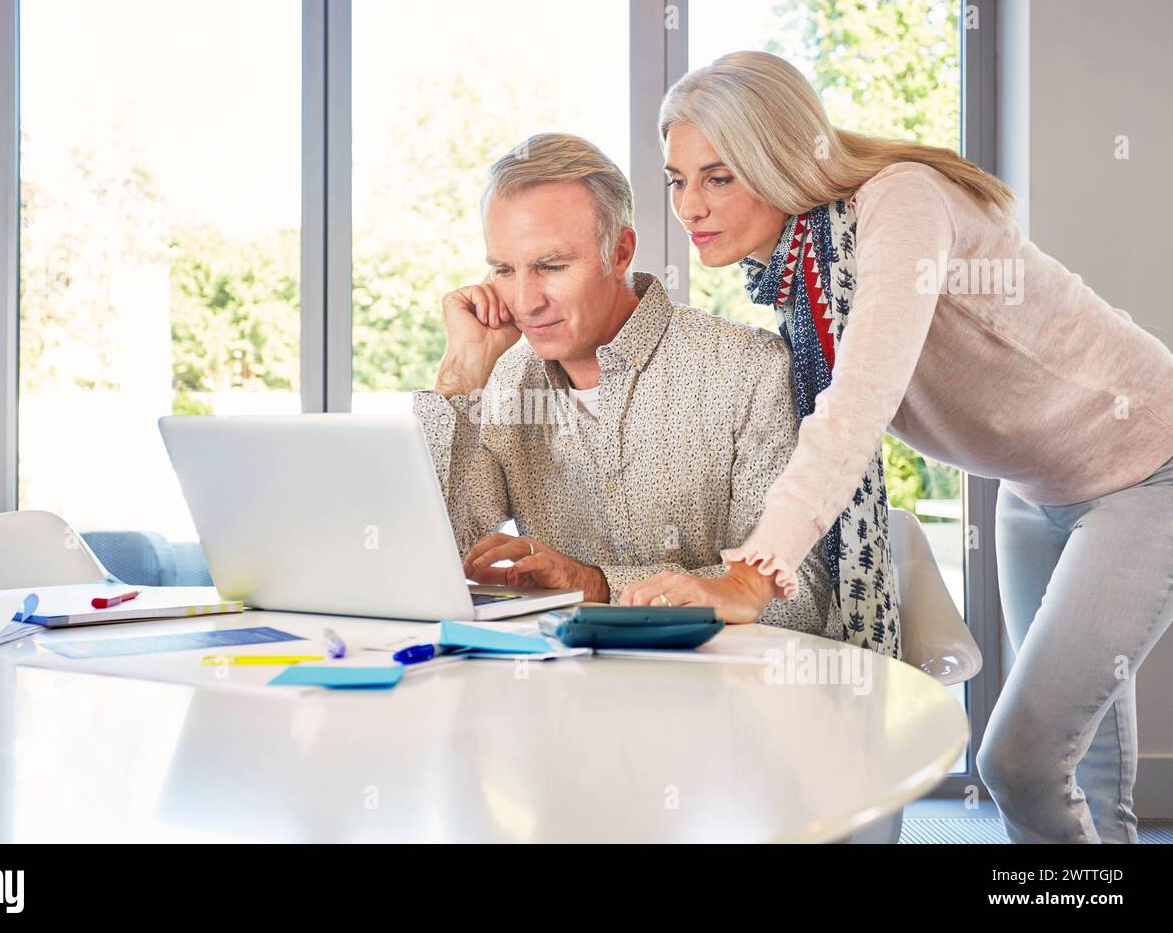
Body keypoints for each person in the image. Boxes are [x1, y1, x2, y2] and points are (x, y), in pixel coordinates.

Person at [627, 50, 1173, 843]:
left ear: (781, 158)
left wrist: (751, 574)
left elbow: (861, 397)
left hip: (1148, 468)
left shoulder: (902, 205)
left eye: (719, 176)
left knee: (1020, 762)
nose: (689, 206)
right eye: (678, 179)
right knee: (1071, 765)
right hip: (1031, 489)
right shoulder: (800, 274)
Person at [412, 132, 837, 639]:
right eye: (504, 269)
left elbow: (799, 599)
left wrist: (595, 585)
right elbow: (427, 566)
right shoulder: (503, 383)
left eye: (550, 267)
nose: (525, 301)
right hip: (563, 694)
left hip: (721, 698)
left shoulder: (749, 369)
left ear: (620, 252)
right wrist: (459, 379)